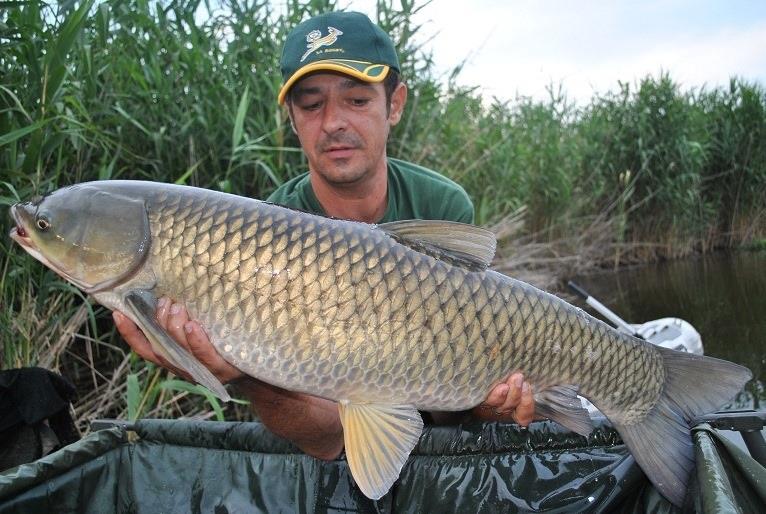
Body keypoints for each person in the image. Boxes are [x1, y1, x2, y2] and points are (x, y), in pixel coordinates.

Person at [113, 11, 535, 461]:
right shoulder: (265, 230)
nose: (333, 122)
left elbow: (452, 396)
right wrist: (245, 374)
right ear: (292, 119)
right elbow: (324, 439)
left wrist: (492, 400)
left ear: (394, 105)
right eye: (312, 105)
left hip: (427, 400)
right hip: (333, 428)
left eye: (356, 100)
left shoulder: (442, 205)